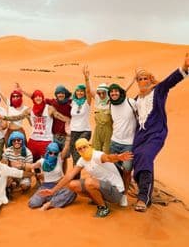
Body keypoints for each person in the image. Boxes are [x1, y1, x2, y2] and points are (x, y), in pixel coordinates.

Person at [132, 53, 189, 212]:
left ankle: (144, 198)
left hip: (156, 133)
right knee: (137, 159)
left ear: (151, 79)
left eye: (145, 78)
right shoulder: (137, 99)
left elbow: (171, 81)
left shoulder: (159, 91)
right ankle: (144, 188)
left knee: (146, 156)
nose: (143, 81)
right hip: (140, 136)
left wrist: (184, 67)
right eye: (140, 79)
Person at [39, 138, 133, 217]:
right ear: (78, 151)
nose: (83, 150)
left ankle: (103, 208)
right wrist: (53, 191)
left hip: (116, 192)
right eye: (80, 149)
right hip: (103, 188)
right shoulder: (82, 160)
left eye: (85, 147)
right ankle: (97, 199)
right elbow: (69, 176)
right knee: (72, 185)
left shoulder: (97, 155)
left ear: (89, 146)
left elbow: (108, 157)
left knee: (89, 182)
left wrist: (118, 157)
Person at [0, 89, 70, 162]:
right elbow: (17, 117)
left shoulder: (49, 109)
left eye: (39, 96)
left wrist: (69, 121)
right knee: (28, 160)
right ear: (33, 99)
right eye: (36, 96)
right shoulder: (30, 110)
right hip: (33, 140)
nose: (38, 98)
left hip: (46, 140)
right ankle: (34, 173)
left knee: (46, 162)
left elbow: (60, 116)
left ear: (42, 97)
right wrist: (4, 117)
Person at [108, 83, 137, 207]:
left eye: (116, 91)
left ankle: (124, 195)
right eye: (111, 92)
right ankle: (116, 193)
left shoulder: (131, 102)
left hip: (128, 144)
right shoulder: (110, 104)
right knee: (114, 170)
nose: (114, 94)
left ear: (120, 91)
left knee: (127, 170)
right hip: (114, 142)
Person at [28, 142, 76, 211]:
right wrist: (21, 165)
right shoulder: (42, 161)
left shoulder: (59, 159)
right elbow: (31, 166)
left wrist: (68, 138)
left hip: (59, 186)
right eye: (50, 153)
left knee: (72, 192)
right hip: (45, 187)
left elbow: (66, 147)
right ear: (47, 151)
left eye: (55, 153)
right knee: (33, 203)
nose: (53, 155)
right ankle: (54, 199)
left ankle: (49, 204)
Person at [0, 71, 30, 144]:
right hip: (9, 131)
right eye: (13, 96)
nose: (15, 98)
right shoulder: (9, 104)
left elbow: (31, 122)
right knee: (8, 150)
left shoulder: (25, 108)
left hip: (19, 131)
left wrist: (22, 91)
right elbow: (0, 92)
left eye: (17, 96)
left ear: (20, 97)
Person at [69, 66, 92, 175]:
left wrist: (86, 78)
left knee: (79, 154)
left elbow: (88, 91)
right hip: (73, 131)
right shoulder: (73, 102)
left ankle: (91, 173)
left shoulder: (86, 103)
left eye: (81, 91)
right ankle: (75, 179)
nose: (80, 93)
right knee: (74, 155)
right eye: (78, 91)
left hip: (84, 131)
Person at [2, 131, 33, 196]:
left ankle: (18, 184)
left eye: (19, 140)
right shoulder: (7, 151)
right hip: (11, 173)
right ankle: (13, 184)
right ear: (11, 141)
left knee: (24, 186)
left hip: (23, 175)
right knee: (7, 183)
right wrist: (9, 176)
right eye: (14, 140)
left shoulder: (28, 153)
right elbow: (3, 166)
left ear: (22, 141)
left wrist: (21, 166)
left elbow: (29, 172)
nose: (16, 142)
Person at [91, 83, 113, 154]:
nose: (101, 95)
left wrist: (133, 80)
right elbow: (90, 90)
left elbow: (123, 92)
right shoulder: (97, 101)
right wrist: (87, 79)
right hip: (97, 131)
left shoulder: (112, 102)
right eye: (99, 93)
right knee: (95, 152)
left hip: (108, 131)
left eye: (103, 93)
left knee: (106, 153)